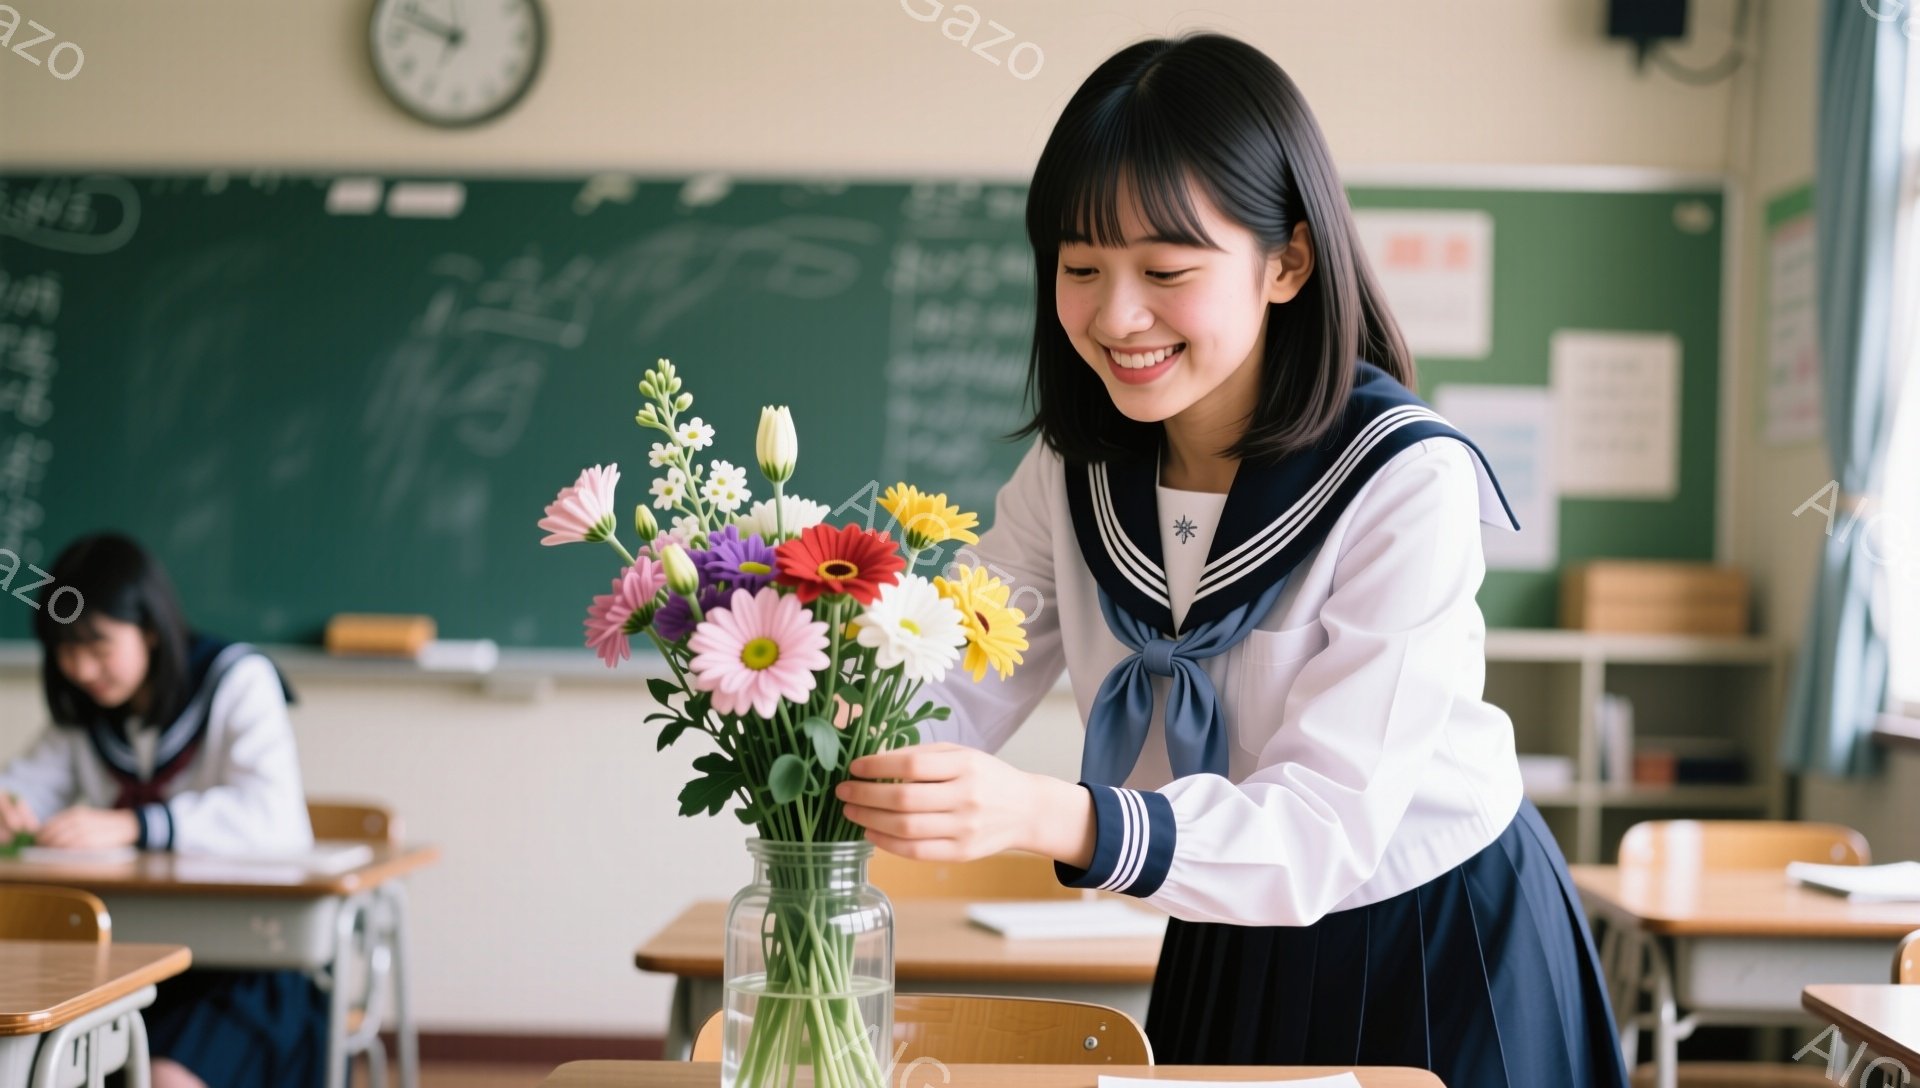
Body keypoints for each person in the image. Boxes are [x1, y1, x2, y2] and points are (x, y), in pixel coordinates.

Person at [835, 32, 1630, 1087]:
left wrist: (1039, 811)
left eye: (1165, 269)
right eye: (1080, 268)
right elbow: (953, 681)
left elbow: (1327, 824)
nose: (1117, 316)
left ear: (1288, 261)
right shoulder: (1069, 474)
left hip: (1434, 935)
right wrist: (816, 712)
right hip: (1221, 915)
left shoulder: (1404, 479)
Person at [0, 532, 327, 1088]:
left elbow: (274, 819)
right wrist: (9, 806)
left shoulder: (236, 681)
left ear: (149, 629)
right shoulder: (87, 712)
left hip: (247, 964)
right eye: (65, 650)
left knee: (163, 1079)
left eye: (98, 646)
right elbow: (26, 787)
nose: (81, 668)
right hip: (132, 964)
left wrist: (136, 825)